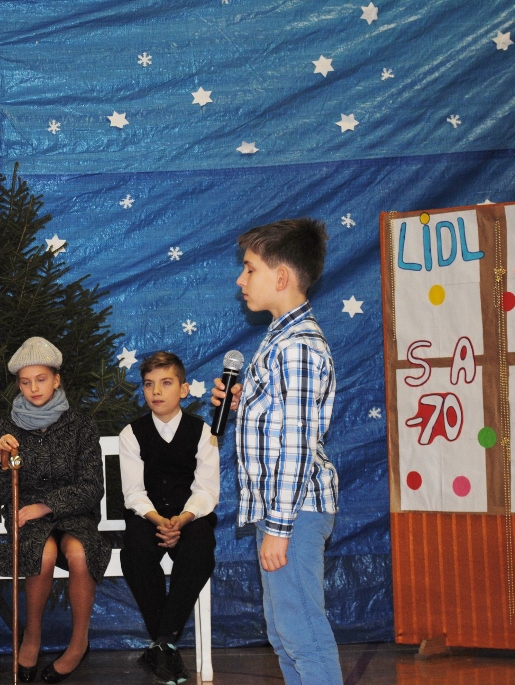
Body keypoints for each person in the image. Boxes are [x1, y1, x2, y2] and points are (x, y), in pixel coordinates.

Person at [211, 218, 341, 685]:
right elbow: (282, 417)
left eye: (250, 269)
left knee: (303, 634)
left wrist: (280, 528)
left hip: (294, 512)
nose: (240, 279)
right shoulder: (280, 340)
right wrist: (244, 401)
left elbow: (297, 444)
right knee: (285, 634)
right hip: (283, 510)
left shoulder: (297, 349)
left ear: (281, 277)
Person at [0, 337, 111, 684]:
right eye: (25, 382)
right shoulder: (5, 428)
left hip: (74, 513)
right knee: (43, 552)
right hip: (26, 515)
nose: (33, 388)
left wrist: (47, 506)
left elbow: (93, 487)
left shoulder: (81, 425)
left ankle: (78, 642)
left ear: (56, 379)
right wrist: (0, 463)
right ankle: (33, 635)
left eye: (41, 379)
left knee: (80, 552)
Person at [119, 351, 219, 685]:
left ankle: (160, 645)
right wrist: (159, 520)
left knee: (200, 548)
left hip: (189, 517)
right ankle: (166, 646)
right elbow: (133, 492)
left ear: (184, 389)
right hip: (148, 516)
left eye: (166, 383)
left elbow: (206, 490)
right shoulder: (132, 434)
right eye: (149, 384)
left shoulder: (202, 432)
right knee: (135, 550)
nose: (156, 391)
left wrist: (182, 519)